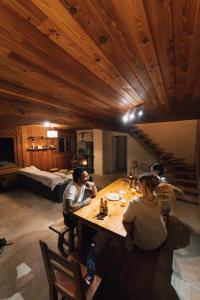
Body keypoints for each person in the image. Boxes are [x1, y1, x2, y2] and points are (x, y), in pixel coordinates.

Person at [123, 173, 176, 250]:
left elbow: (126, 219)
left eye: (139, 185)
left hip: (145, 244)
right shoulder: (159, 197)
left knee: (129, 228)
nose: (137, 187)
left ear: (146, 188)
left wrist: (125, 210)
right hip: (162, 237)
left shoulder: (134, 203)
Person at [63, 167, 97, 251]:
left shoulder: (82, 183)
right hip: (69, 217)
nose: (88, 178)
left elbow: (94, 194)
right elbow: (69, 208)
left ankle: (84, 238)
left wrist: (93, 185)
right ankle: (83, 246)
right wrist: (84, 203)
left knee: (94, 222)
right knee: (91, 226)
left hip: (77, 211)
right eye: (85, 176)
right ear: (78, 179)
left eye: (87, 175)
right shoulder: (72, 188)